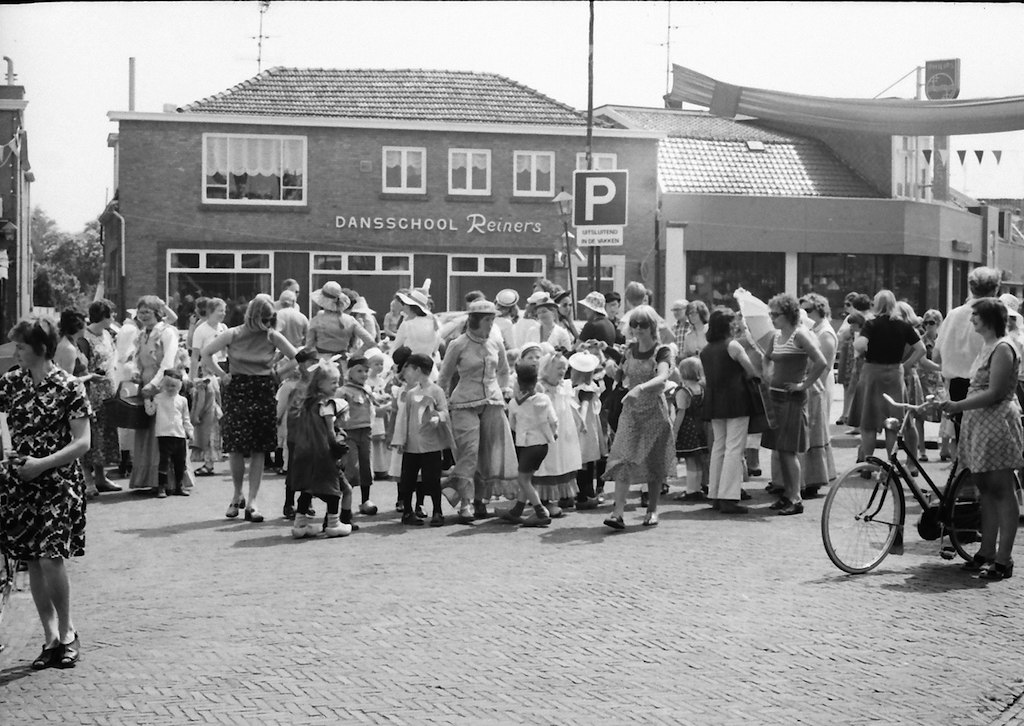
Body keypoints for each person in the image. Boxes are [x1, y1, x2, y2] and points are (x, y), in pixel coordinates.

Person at [0, 317, 91, 669]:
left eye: (21, 346)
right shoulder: (11, 382)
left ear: (40, 348)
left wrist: (43, 463)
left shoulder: (69, 387)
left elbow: (83, 442)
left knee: (51, 558)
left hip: (57, 483)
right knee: (34, 560)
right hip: (20, 483)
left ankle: (68, 633)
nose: (16, 352)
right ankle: (50, 637)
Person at [940, 298, 1023, 580]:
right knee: (985, 489)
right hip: (981, 422)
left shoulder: (1003, 347)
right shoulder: (988, 346)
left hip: (997, 422)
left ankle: (1004, 558)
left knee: (1001, 488)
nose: (971, 319)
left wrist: (958, 405)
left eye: (975, 315)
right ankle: (986, 552)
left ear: (989, 318)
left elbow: (996, 391)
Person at [202, 294, 299, 522]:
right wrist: (222, 375)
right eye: (265, 317)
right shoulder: (233, 333)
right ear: (255, 315)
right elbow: (206, 353)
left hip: (262, 389)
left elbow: (297, 357)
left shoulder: (271, 336)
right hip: (239, 389)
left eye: (269, 318)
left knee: (259, 448)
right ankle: (237, 494)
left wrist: (277, 373)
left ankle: (253, 500)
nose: (266, 322)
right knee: (236, 447)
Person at [437, 299, 517, 522]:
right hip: (463, 403)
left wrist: (504, 388)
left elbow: (503, 370)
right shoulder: (458, 344)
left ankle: (481, 500)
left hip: (492, 401)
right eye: (487, 319)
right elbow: (443, 377)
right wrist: (441, 404)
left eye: (493, 319)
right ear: (474, 320)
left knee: (488, 453)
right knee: (469, 452)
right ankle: (465, 503)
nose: (491, 324)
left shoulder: (495, 342)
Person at [602, 305, 675, 529]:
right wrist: (610, 367)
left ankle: (652, 510)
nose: (637, 328)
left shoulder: (661, 351)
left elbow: (663, 377)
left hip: (654, 411)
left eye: (642, 324)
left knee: (653, 462)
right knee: (623, 457)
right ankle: (617, 513)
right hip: (631, 412)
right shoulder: (629, 349)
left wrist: (641, 388)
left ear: (652, 326)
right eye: (634, 324)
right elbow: (620, 375)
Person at [760, 294, 828, 516]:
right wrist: (766, 374)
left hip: (792, 400)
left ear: (788, 314)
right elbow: (767, 357)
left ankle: (796, 498)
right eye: (771, 314)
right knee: (781, 450)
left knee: (788, 451)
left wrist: (803, 384)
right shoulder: (776, 336)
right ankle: (788, 494)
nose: (772, 318)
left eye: (775, 314)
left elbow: (821, 362)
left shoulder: (800, 335)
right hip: (776, 397)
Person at [848, 290, 926, 464]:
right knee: (893, 424)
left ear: (877, 304)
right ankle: (892, 464)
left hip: (872, 373)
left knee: (868, 424)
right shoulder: (904, 326)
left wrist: (859, 345)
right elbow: (921, 349)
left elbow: (860, 346)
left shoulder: (872, 324)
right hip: (894, 374)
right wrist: (905, 365)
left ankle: (868, 464)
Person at [699, 307, 760, 514]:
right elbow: (751, 370)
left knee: (718, 447)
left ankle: (715, 493)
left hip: (715, 400)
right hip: (736, 399)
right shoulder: (732, 346)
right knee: (734, 448)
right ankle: (728, 496)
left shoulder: (706, 350)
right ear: (728, 325)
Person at [128, 296, 190, 494]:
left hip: (162, 385)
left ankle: (171, 481)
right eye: (141, 312)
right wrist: (136, 374)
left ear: (157, 313)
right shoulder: (141, 334)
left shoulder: (166, 332)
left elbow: (168, 361)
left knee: (166, 431)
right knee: (148, 431)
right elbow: (136, 359)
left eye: (148, 311)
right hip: (146, 384)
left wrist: (154, 384)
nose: (144, 316)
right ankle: (149, 478)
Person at [287, 358, 354, 538]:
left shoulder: (307, 403)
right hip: (322, 453)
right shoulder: (327, 404)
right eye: (333, 382)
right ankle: (334, 523)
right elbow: (330, 432)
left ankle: (300, 525)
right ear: (320, 383)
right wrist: (338, 448)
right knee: (334, 489)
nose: (337, 385)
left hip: (305, 452)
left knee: (307, 489)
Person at [935, 267, 1002, 435]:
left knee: (962, 442)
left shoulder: (954, 315)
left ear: (971, 288)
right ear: (996, 288)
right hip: (991, 386)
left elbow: (936, 355)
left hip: (958, 386)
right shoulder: (1004, 315)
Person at [391, 353, 452, 527]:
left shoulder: (436, 391)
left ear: (418, 369)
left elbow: (444, 411)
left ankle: (437, 511)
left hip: (430, 444)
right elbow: (405, 417)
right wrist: (401, 439)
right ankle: (408, 511)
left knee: (432, 479)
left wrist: (437, 417)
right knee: (408, 479)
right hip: (412, 444)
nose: (407, 372)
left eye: (409, 368)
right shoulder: (411, 393)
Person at [504, 360, 558, 527]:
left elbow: (512, 424)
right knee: (527, 478)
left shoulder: (514, 403)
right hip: (543, 444)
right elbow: (554, 421)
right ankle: (517, 511)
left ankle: (541, 512)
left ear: (518, 382)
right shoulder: (544, 399)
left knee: (523, 480)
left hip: (527, 445)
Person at [79, 299, 122, 494]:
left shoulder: (107, 334)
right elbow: (81, 366)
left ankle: (101, 477)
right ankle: (88, 480)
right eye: (111, 314)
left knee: (104, 434)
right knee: (91, 435)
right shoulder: (84, 338)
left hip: (107, 390)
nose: (113, 318)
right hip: (91, 392)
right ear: (104, 316)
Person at [798, 293, 838, 498]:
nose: (805, 314)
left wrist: (811, 385)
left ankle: (813, 478)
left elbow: (825, 364)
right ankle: (804, 477)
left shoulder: (825, 333)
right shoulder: (811, 330)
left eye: (809, 310)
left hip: (818, 386)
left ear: (820, 310)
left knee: (815, 432)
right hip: (810, 385)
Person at [143, 369, 193, 498]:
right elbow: (150, 412)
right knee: (164, 462)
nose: (171, 388)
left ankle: (179, 485)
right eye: (168, 385)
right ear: (163, 385)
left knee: (180, 462)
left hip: (179, 434)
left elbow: (186, 418)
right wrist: (147, 400)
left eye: (174, 386)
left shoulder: (182, 400)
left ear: (179, 386)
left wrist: (190, 432)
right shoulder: (159, 398)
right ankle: (162, 487)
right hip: (164, 434)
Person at [338, 355, 378, 515]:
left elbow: (375, 409)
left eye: (366, 371)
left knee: (366, 465)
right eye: (359, 370)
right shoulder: (343, 391)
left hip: (366, 431)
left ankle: (365, 500)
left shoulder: (367, 389)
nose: (363, 374)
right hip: (350, 433)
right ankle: (346, 503)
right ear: (349, 372)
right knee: (352, 467)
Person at [306, 281, 375, 360]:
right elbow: (370, 341)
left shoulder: (316, 320)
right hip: (343, 362)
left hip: (321, 362)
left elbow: (309, 346)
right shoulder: (350, 320)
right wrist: (354, 355)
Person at [673, 356, 709, 502]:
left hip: (687, 427)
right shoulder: (701, 388)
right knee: (698, 460)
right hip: (700, 426)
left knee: (690, 461)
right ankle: (698, 487)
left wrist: (675, 431)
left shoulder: (683, 391)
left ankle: (691, 490)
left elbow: (681, 412)